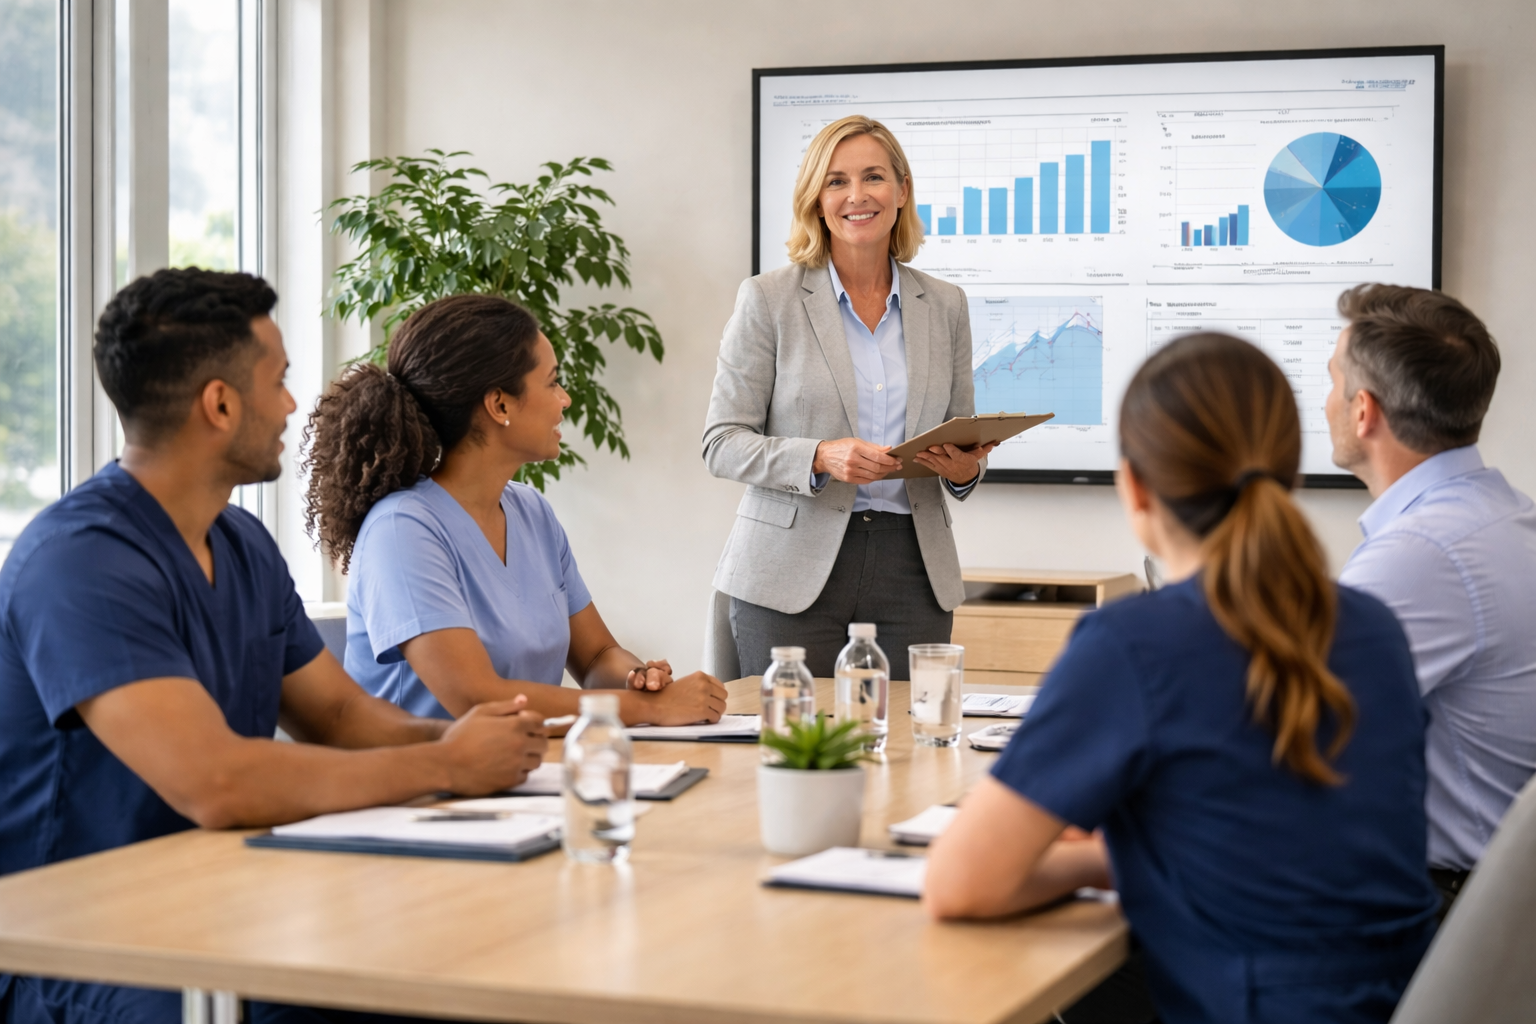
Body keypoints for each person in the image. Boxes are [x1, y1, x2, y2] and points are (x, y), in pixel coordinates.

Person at [0, 269, 547, 1024]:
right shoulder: (80, 560)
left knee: (483, 954)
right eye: (280, 382)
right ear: (220, 405)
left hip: (227, 897)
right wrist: (447, 762)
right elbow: (217, 782)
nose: (294, 404)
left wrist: (487, 745)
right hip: (82, 946)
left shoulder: (242, 543)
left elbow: (339, 718)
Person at [924, 333, 1440, 1024]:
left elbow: (961, 885)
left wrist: (1105, 860)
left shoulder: (1131, 645)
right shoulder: (1375, 628)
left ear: (1133, 487)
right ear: (1288, 475)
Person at [303, 294, 727, 726]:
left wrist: (639, 680)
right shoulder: (402, 529)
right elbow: (477, 697)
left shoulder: (531, 511)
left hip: (523, 774)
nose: (565, 400)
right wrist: (648, 709)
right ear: (499, 404)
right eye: (552, 382)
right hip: (420, 785)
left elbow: (598, 656)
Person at [702, 114, 993, 678]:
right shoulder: (768, 299)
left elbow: (963, 433)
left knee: (912, 748)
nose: (856, 195)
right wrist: (818, 455)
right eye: (836, 180)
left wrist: (961, 469)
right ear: (816, 197)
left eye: (874, 177)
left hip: (913, 566)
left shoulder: (947, 304)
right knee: (794, 747)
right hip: (789, 570)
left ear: (902, 190)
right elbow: (722, 443)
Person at [1326, 283, 1536, 917]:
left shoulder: (1421, 555)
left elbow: (1272, 732)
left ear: (1363, 411)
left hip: (1433, 917)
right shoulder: (1503, 518)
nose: (1325, 401)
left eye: (1333, 381)